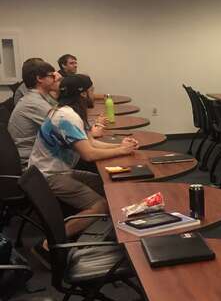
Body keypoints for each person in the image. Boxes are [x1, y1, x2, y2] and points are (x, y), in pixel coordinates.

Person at [27, 74, 139, 239]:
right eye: (91, 90)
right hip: (50, 176)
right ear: (83, 94)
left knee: (107, 186)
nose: (94, 93)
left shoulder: (68, 112)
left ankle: (114, 233)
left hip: (55, 172)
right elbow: (88, 154)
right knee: (100, 205)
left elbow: (91, 142)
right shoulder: (67, 117)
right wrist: (122, 151)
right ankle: (50, 244)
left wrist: (121, 145)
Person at [8, 60, 61, 166]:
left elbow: (59, 111)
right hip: (32, 165)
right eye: (52, 76)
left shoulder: (38, 97)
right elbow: (65, 131)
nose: (56, 79)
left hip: (39, 157)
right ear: (39, 78)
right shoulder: (35, 103)